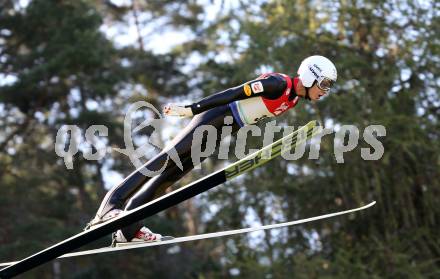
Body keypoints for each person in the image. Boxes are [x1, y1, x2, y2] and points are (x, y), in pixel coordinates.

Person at [85, 55, 337, 245]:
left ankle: (127, 229)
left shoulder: (292, 98)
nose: (325, 91)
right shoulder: (278, 84)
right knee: (163, 161)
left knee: (170, 176)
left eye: (329, 86)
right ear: (309, 76)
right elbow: (234, 92)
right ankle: (108, 208)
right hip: (214, 117)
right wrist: (192, 108)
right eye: (324, 84)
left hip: (226, 128)